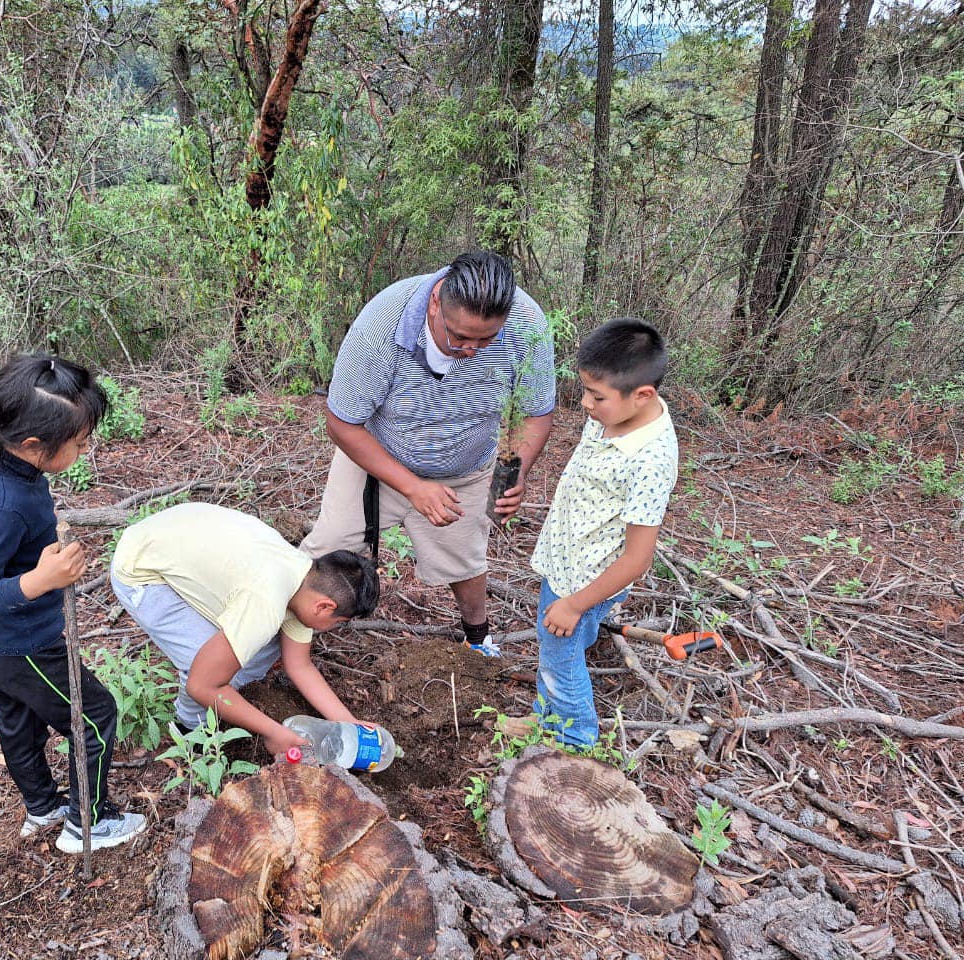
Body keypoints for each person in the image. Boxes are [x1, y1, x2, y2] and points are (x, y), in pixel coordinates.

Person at [300, 250, 555, 655]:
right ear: (436, 302)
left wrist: (516, 471)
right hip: (374, 461)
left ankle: (477, 641)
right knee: (327, 550)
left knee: (465, 560)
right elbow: (341, 422)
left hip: (465, 468)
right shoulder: (382, 325)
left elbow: (535, 412)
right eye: (459, 336)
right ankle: (284, 637)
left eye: (485, 339)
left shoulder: (528, 325)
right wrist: (413, 487)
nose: (471, 349)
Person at [0, 354, 146, 854]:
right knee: (96, 713)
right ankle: (89, 823)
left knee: (20, 720)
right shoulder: (4, 502)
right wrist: (40, 580)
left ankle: (41, 808)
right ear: (33, 444)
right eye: (80, 444)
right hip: (21, 643)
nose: (86, 449)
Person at [110, 502, 380, 756]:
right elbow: (200, 684)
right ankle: (190, 732)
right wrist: (274, 732)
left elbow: (299, 665)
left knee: (258, 646)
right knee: (202, 664)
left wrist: (349, 724)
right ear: (324, 607)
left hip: (177, 535)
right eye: (338, 623)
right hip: (141, 569)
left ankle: (230, 692)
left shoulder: (304, 577)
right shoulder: (266, 602)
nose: (332, 629)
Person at [528, 318, 678, 749]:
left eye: (596, 396)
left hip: (585, 580)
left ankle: (574, 739)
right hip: (567, 556)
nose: (585, 405)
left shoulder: (650, 459)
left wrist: (575, 604)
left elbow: (637, 559)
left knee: (559, 653)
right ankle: (545, 717)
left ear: (643, 394)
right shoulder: (613, 414)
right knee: (565, 642)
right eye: (585, 391)